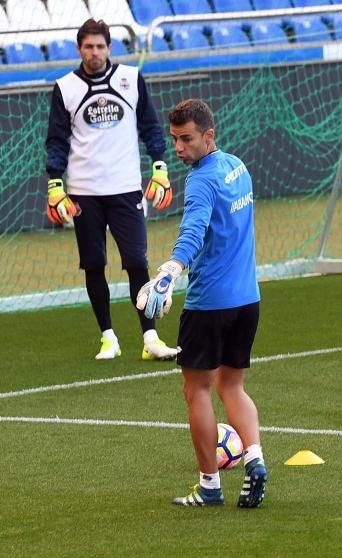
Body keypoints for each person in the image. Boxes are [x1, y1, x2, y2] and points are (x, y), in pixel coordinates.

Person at [135, 99, 267, 509]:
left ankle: (210, 485)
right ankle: (256, 460)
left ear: (209, 135)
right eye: (174, 139)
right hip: (248, 300)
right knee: (233, 386)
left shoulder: (201, 181)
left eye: (187, 139)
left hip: (210, 303)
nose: (178, 148)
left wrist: (169, 271)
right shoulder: (237, 166)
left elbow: (193, 231)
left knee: (197, 391)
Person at [45, 19, 180, 362]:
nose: (94, 53)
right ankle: (108, 337)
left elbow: (150, 126)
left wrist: (160, 165)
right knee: (94, 264)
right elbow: (57, 141)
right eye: (88, 47)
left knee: (137, 261)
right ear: (79, 49)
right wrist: (54, 183)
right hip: (83, 192)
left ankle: (150, 337)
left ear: (109, 48)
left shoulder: (131, 79)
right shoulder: (65, 88)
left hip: (125, 188)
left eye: (100, 46)